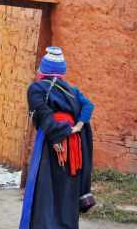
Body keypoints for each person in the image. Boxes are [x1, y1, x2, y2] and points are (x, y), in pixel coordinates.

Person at [19, 46, 95, 229]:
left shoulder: (36, 88)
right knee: (67, 185)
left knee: (46, 185)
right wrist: (77, 126)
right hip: (74, 145)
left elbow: (45, 116)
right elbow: (88, 106)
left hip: (52, 141)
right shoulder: (71, 89)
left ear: (44, 69)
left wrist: (57, 138)